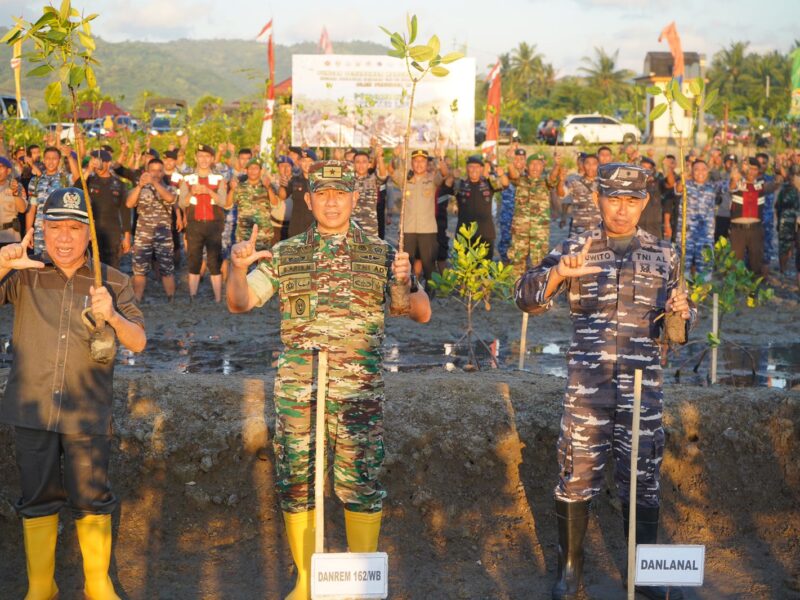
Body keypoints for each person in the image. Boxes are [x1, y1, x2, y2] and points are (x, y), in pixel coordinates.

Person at [227, 160, 431, 600]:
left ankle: (362, 585)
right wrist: (236, 270)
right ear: (309, 200)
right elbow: (241, 304)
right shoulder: (286, 253)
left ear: (356, 199)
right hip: (299, 392)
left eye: (341, 193)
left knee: (360, 480)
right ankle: (304, 581)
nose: (333, 201)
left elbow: (420, 312)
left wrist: (407, 281)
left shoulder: (381, 254)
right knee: (296, 479)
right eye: (323, 193)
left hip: (358, 392)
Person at [515, 163, 695, 600]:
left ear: (645, 203)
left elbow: (679, 332)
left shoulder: (664, 255)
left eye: (631, 201)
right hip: (587, 390)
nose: (621, 209)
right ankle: (570, 571)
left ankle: (644, 575)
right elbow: (525, 296)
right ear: (598, 199)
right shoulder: (576, 248)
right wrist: (559, 275)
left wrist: (683, 314)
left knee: (644, 478)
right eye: (613, 199)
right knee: (576, 475)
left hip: (642, 390)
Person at [0, 187, 145, 600]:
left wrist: (112, 315)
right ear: (41, 230)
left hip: (87, 412)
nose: (63, 238)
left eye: (73, 229)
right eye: (54, 227)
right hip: (32, 408)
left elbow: (138, 342)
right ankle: (41, 587)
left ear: (89, 235)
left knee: (92, 498)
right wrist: (2, 262)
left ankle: (98, 586)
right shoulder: (24, 273)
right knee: (37, 497)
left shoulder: (112, 280)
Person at [390, 147, 449, 282]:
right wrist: (395, 157)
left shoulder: (432, 178)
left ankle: (430, 293)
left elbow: (445, 174)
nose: (419, 164)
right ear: (411, 163)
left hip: (428, 230)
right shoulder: (405, 179)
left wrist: (440, 158)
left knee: (429, 265)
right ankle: (410, 292)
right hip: (408, 230)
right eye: (416, 161)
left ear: (427, 164)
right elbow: (392, 172)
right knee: (407, 264)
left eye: (422, 161)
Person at [180, 144, 228, 302]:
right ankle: (193, 296)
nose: (204, 160)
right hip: (195, 224)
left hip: (214, 224)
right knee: (194, 260)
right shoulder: (187, 179)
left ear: (213, 159)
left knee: (215, 260)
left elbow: (223, 202)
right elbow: (182, 203)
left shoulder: (219, 179)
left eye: (207, 156)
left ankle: (217, 298)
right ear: (195, 158)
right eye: (201, 156)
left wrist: (209, 191)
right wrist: (191, 193)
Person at [127, 157, 178, 301]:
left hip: (163, 234)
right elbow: (129, 204)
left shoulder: (169, 188)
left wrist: (154, 183)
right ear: (147, 171)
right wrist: (139, 186)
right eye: (152, 171)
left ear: (163, 173)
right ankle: (138, 299)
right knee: (139, 269)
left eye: (159, 171)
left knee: (167, 268)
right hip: (143, 234)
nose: (155, 173)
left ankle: (171, 299)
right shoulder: (140, 188)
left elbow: (170, 199)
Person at [504, 152, 563, 277]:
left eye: (539, 164)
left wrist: (557, 165)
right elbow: (513, 174)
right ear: (526, 166)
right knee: (516, 261)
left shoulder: (545, 181)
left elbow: (553, 178)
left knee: (540, 262)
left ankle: (538, 292)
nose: (535, 167)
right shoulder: (520, 180)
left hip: (539, 231)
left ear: (543, 167)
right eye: (532, 164)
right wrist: (509, 160)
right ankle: (515, 292)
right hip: (520, 231)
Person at [728, 157, 782, 275]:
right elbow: (732, 185)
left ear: (759, 171)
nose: (751, 172)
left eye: (755, 169)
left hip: (756, 230)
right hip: (738, 231)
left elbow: (777, 183)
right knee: (734, 265)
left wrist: (778, 171)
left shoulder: (761, 185)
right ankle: (734, 291)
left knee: (756, 264)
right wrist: (738, 173)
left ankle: (753, 293)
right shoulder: (737, 183)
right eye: (749, 169)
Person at [448, 155, 504, 257]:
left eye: (477, 167)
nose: (474, 170)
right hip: (464, 235)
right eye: (471, 166)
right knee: (464, 270)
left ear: (482, 169)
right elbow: (448, 187)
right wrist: (453, 176)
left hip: (485, 234)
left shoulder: (489, 183)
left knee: (484, 269)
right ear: (466, 168)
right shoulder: (459, 184)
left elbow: (503, 185)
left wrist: (500, 175)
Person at [85, 150, 131, 269]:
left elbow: (125, 211)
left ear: (108, 163)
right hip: (92, 231)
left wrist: (126, 237)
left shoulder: (119, 184)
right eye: (94, 160)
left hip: (112, 231)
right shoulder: (89, 180)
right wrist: (88, 170)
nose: (97, 163)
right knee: (91, 264)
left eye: (100, 161)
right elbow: (76, 189)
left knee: (112, 266)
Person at [675, 160, 719, 278]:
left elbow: (731, 186)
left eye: (703, 169)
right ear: (692, 172)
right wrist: (682, 178)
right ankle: (683, 295)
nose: (700, 172)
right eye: (696, 169)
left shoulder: (713, 186)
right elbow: (678, 189)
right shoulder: (686, 184)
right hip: (686, 236)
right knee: (682, 270)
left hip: (705, 236)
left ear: (708, 171)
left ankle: (702, 295)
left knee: (705, 270)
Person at [26, 146, 70, 257]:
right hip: (40, 232)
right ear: (43, 160)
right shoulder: (35, 180)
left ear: (59, 160)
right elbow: (32, 208)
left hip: (60, 230)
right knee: (40, 264)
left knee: (59, 261)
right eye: (48, 158)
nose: (51, 161)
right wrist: (28, 232)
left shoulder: (65, 180)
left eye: (54, 158)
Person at [230, 158, 276, 250]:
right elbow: (228, 205)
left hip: (264, 236)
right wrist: (232, 189)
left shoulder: (268, 186)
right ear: (246, 170)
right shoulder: (239, 187)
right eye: (250, 168)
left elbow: (275, 204)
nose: (253, 171)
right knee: (245, 263)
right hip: (244, 236)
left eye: (256, 168)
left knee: (263, 264)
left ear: (261, 170)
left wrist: (268, 188)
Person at [351, 143, 388, 238]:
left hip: (370, 229)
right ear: (353, 164)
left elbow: (383, 175)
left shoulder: (373, 179)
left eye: (364, 162)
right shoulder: (348, 181)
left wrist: (379, 157)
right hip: (351, 228)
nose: (361, 165)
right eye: (358, 162)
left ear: (369, 164)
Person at [498, 147, 527, 262]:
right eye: (516, 158)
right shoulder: (504, 175)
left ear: (525, 160)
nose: (519, 161)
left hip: (525, 217)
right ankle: (505, 267)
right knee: (506, 242)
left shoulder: (530, 176)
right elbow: (512, 177)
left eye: (522, 158)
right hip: (508, 216)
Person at [281, 148, 317, 238]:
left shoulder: (320, 182)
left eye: (310, 161)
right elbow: (282, 196)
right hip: (296, 230)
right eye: (304, 161)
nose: (307, 164)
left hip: (315, 230)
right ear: (300, 163)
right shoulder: (294, 180)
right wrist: (282, 184)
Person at [562, 153, 600, 237]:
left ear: (599, 165)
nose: (591, 167)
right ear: (583, 165)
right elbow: (562, 194)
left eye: (594, 164)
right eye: (588, 163)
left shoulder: (604, 184)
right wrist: (560, 180)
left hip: (598, 229)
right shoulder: (574, 182)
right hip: (578, 229)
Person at [775, 172, 800, 291]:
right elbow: (778, 206)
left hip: (796, 222)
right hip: (787, 220)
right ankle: (783, 271)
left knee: (795, 247)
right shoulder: (785, 190)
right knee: (784, 245)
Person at [0, 156, 28, 247]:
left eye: (0, 167)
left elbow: (22, 209)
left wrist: (15, 194)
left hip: (10, 237)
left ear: (8, 171)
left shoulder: (16, 186)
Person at [638, 157, 664, 239]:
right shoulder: (633, 184)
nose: (645, 170)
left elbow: (669, 183)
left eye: (648, 168)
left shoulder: (658, 183)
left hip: (654, 227)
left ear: (652, 170)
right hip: (638, 226)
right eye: (642, 167)